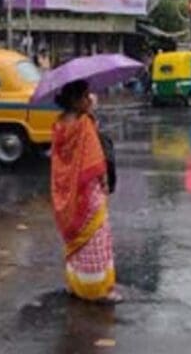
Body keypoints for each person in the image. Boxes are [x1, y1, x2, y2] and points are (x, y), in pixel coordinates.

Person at [51, 80, 121, 303]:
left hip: (67, 192)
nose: (89, 99)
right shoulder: (84, 125)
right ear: (75, 100)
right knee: (95, 237)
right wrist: (105, 183)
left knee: (76, 239)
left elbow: (60, 160)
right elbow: (96, 162)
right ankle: (98, 291)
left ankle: (77, 285)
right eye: (85, 96)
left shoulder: (59, 124)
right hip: (87, 191)